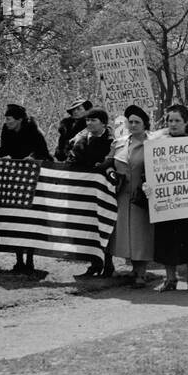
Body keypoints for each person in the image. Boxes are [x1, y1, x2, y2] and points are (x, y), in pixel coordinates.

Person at [151, 104, 188, 293]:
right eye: (170, 120)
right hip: (167, 199)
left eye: (177, 120)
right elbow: (152, 168)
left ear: (187, 123)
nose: (173, 124)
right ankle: (170, 278)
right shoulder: (158, 143)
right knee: (167, 238)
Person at [0, 103, 52, 274]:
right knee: (16, 219)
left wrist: (33, 158)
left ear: (19, 119)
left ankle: (30, 259)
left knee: (32, 219)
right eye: (5, 119)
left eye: (9, 119)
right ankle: (18, 260)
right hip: (15, 178)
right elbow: (3, 150)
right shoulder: (6, 130)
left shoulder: (34, 130)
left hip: (33, 178)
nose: (6, 122)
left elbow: (44, 152)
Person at [107, 104, 155, 287]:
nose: (133, 125)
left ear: (145, 124)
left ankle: (141, 273)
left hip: (143, 197)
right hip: (123, 195)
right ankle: (134, 269)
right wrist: (111, 171)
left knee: (141, 235)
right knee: (126, 235)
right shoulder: (119, 142)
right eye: (131, 122)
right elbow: (109, 161)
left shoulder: (153, 143)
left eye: (137, 122)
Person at [66, 108, 117, 277]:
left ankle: (108, 264)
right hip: (85, 191)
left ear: (103, 123)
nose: (89, 123)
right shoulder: (80, 140)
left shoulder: (112, 141)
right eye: (87, 120)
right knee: (89, 227)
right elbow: (70, 158)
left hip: (104, 192)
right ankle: (94, 263)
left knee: (104, 225)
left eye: (93, 120)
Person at [54, 98, 93, 162]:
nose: (75, 111)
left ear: (87, 111)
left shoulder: (92, 125)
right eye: (74, 109)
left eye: (79, 109)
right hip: (65, 161)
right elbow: (61, 145)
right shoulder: (66, 127)